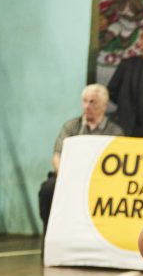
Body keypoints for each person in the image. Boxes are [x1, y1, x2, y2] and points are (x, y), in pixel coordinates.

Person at [38, 84, 123, 234]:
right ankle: (49, 235)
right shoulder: (71, 126)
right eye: (84, 101)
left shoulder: (115, 132)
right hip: (69, 178)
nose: (87, 106)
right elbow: (57, 155)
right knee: (47, 189)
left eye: (92, 102)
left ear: (104, 105)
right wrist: (67, 178)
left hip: (100, 181)